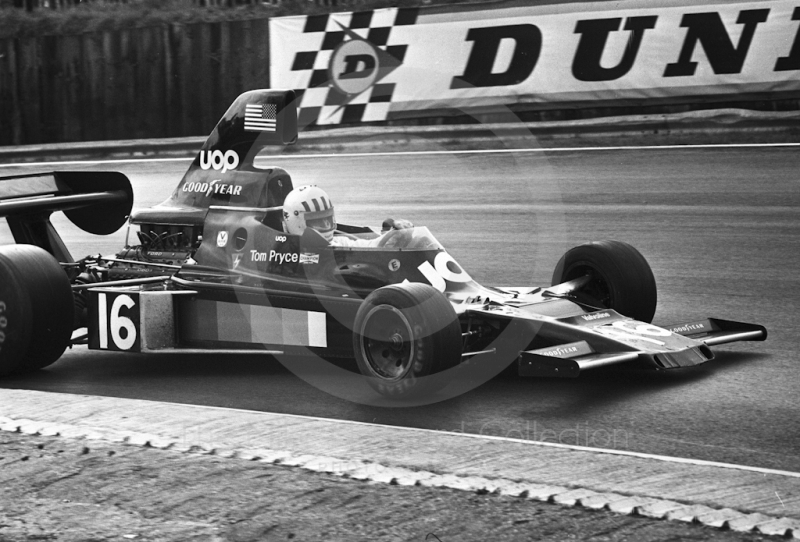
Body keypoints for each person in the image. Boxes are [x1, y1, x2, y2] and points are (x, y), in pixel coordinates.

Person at [281, 185, 412, 246]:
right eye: (318, 222)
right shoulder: (285, 254)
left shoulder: (337, 242)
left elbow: (369, 246)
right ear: (296, 223)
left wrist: (393, 235)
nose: (327, 226)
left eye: (328, 220)